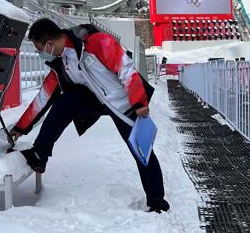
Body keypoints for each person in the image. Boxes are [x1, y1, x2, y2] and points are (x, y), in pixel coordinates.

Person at [10, 18, 170, 213]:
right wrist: (20, 128)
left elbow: (125, 68)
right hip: (97, 100)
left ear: (49, 44)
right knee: (64, 101)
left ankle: (157, 202)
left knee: (142, 150)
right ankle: (39, 153)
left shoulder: (96, 42)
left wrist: (138, 101)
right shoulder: (61, 63)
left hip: (123, 102)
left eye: (39, 48)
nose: (40, 53)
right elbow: (43, 97)